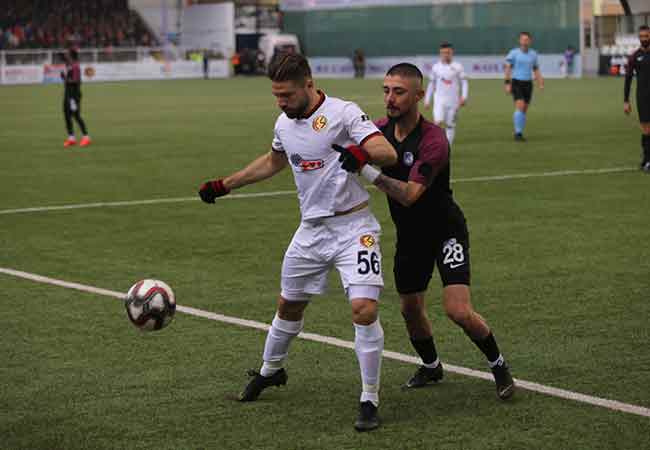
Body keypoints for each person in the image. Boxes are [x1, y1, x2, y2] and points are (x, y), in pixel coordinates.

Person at [198, 53, 398, 431]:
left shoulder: (343, 113)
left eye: (287, 95)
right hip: (311, 231)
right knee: (288, 304)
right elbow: (274, 162)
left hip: (354, 227)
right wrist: (226, 185)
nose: (281, 102)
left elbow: (386, 152)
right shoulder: (283, 123)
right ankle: (270, 371)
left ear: (309, 84)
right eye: (276, 95)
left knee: (364, 310)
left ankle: (369, 397)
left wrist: (360, 151)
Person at [338, 63, 515, 400]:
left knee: (458, 310)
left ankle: (499, 364)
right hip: (410, 236)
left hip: (445, 230)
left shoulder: (434, 139)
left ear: (419, 95)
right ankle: (431, 366)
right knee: (409, 309)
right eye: (386, 90)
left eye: (399, 91)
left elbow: (409, 196)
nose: (390, 98)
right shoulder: (378, 131)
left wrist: (367, 170)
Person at [424, 42, 468, 146]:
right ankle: (437, 145)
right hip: (439, 100)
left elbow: (464, 83)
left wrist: (464, 97)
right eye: (443, 53)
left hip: (454, 101)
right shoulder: (436, 67)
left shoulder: (458, 67)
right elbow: (431, 84)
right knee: (438, 123)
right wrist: (427, 100)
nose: (445, 55)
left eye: (448, 52)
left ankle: (447, 146)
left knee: (450, 125)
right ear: (440, 54)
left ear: (452, 53)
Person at [504, 32, 544, 141]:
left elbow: (535, 69)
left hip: (528, 84)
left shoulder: (533, 54)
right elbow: (508, 68)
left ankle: (519, 132)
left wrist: (540, 82)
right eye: (523, 39)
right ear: (520, 41)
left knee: (524, 110)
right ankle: (518, 134)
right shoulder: (514, 53)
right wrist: (507, 83)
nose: (525, 41)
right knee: (520, 106)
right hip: (517, 82)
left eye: (527, 39)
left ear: (530, 41)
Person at [624, 25, 650, 172]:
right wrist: (626, 101)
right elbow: (628, 79)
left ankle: (648, 160)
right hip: (642, 98)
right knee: (646, 130)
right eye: (641, 37)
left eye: (646, 36)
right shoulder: (635, 56)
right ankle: (646, 160)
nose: (644, 39)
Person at [61, 48, 91, 148]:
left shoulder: (75, 66)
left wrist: (65, 78)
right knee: (66, 115)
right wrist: (65, 79)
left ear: (71, 56)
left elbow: (77, 81)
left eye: (67, 54)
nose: (65, 55)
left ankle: (86, 137)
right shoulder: (68, 65)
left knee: (76, 115)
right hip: (67, 94)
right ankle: (71, 138)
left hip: (74, 95)